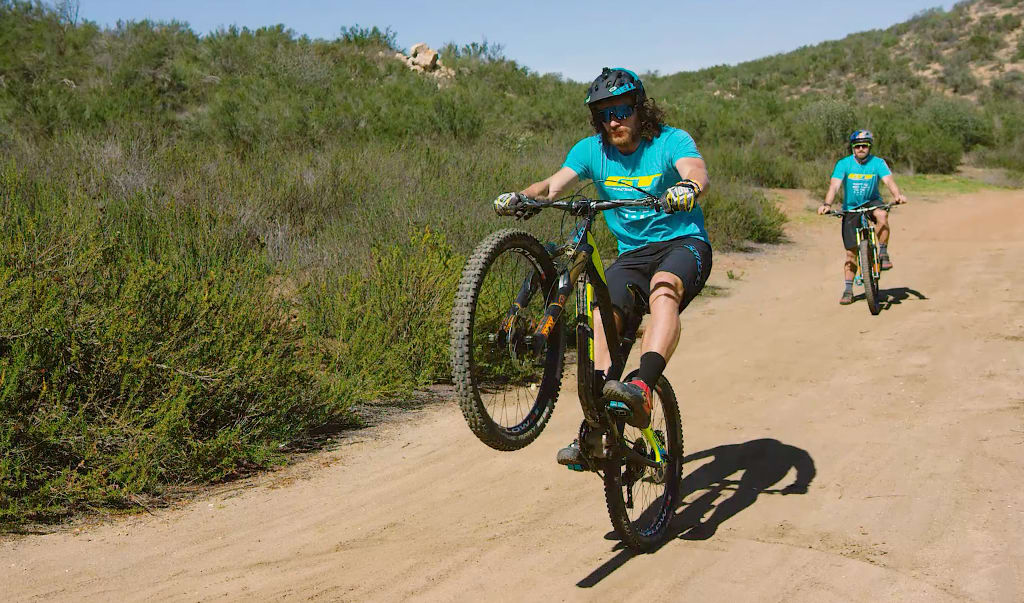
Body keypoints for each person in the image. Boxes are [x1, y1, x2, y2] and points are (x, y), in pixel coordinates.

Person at [492, 67, 712, 466]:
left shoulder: (670, 141)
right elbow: (553, 185)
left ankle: (643, 385)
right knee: (601, 315)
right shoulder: (591, 150)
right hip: (632, 255)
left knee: (664, 289)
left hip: (683, 244)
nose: (614, 121)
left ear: (640, 109)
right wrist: (522, 197)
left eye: (623, 110)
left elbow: (695, 170)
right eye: (605, 114)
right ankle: (600, 421)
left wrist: (687, 188)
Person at [817, 130, 907, 305]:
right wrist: (827, 205)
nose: (861, 148)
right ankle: (848, 289)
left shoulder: (878, 163)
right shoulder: (843, 164)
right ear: (852, 148)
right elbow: (834, 186)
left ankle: (883, 253)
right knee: (851, 254)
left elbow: (889, 181)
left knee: (882, 214)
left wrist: (898, 196)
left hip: (871, 202)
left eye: (864, 145)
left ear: (869, 147)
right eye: (857, 146)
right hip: (851, 208)